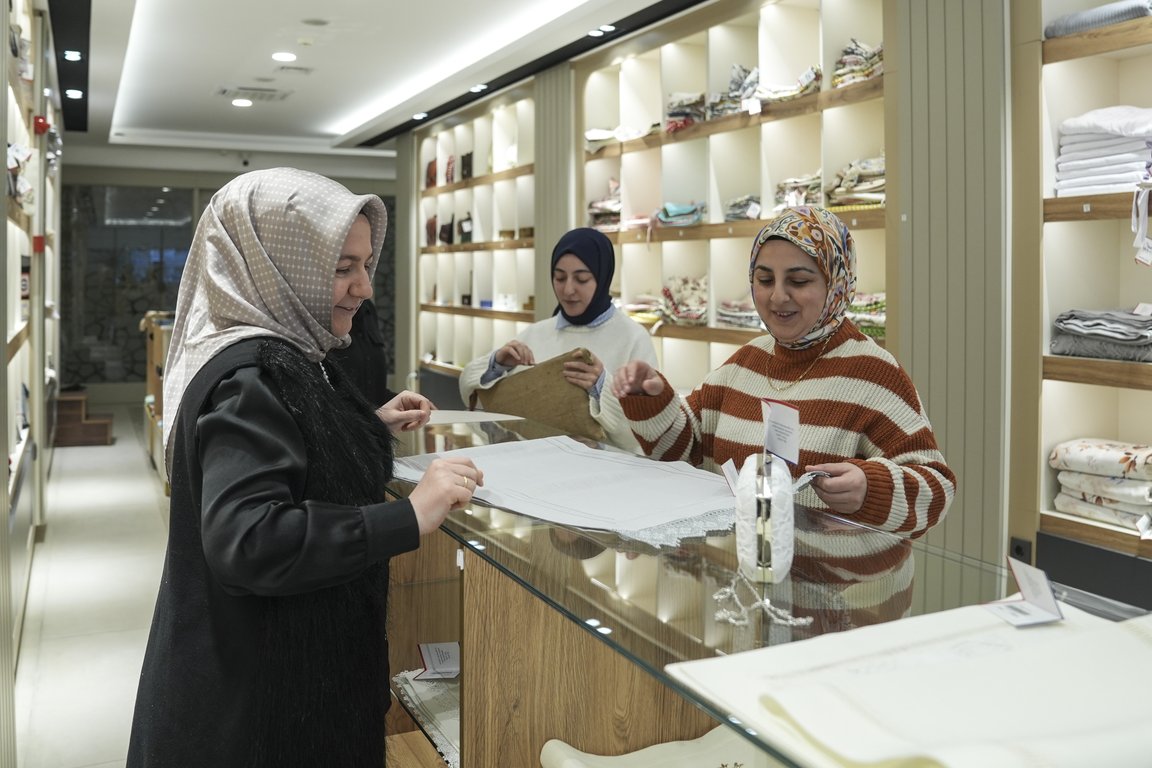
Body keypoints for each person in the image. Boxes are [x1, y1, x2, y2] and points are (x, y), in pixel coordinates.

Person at [127, 167, 483, 768]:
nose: (364, 287)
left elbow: (288, 449)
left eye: (365, 265)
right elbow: (251, 540)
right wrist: (410, 515)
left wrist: (363, 425)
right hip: (258, 716)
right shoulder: (251, 377)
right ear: (277, 268)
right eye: (343, 268)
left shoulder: (285, 356)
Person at [610, 206, 954, 538]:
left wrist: (870, 488)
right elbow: (684, 450)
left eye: (798, 281)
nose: (777, 297)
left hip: (839, 579)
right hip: (746, 570)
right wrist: (652, 400)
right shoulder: (746, 362)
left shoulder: (874, 373)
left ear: (836, 284)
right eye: (764, 279)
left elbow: (936, 491)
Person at [459, 226, 658, 450]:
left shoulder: (632, 338)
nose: (568, 290)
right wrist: (497, 365)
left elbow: (649, 431)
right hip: (537, 463)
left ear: (603, 277)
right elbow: (468, 394)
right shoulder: (536, 333)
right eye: (559, 277)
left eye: (581, 279)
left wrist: (602, 385)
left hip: (607, 469)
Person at [326, 296, 397, 406]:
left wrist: (404, 403)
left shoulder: (368, 309)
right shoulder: (325, 311)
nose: (367, 291)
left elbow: (373, 390)